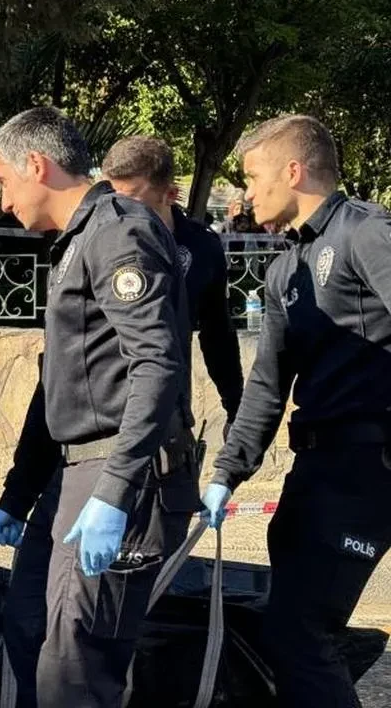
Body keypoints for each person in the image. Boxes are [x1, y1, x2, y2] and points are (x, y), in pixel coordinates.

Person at [0, 108, 198, 707]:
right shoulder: (78, 241)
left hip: (119, 471)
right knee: (30, 629)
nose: (2, 202)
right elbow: (60, 383)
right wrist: (17, 496)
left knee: (75, 668)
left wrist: (114, 490)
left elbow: (156, 364)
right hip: (75, 470)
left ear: (36, 164)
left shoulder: (117, 233)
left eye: (2, 182)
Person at [202, 114, 391, 708]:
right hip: (314, 470)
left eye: (252, 177)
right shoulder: (285, 268)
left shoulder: (365, 232)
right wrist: (227, 471)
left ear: (292, 170)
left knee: (302, 633)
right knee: (288, 630)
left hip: (366, 466)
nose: (246, 193)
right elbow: (267, 385)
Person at [102, 136, 244, 435]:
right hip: (102, 417)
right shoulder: (95, 241)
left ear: (170, 195)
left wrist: (236, 409)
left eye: (131, 201)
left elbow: (217, 334)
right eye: (111, 199)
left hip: (168, 416)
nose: (119, 212)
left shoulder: (201, 247)